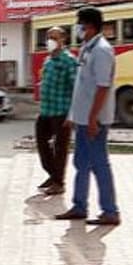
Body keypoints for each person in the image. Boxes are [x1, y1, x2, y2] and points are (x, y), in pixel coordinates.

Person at [57, 7, 120, 225]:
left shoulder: (102, 50)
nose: (77, 29)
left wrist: (93, 118)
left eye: (79, 24)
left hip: (95, 119)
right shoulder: (87, 48)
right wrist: (74, 115)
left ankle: (110, 211)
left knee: (99, 164)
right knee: (81, 162)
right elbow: (81, 86)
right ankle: (79, 206)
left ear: (89, 26)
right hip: (83, 118)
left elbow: (102, 86)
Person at [36, 27, 77, 195]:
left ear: (63, 40)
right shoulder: (48, 60)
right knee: (42, 143)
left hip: (62, 111)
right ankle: (53, 174)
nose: (50, 41)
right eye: (48, 37)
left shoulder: (69, 61)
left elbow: (76, 88)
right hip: (46, 110)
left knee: (60, 148)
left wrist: (72, 114)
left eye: (54, 37)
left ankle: (58, 182)